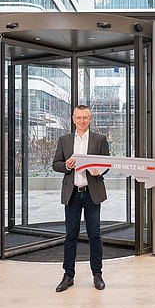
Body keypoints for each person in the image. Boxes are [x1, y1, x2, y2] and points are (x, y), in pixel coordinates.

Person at [53, 105, 110, 292]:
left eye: (85, 117)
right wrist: (67, 166)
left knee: (95, 235)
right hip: (72, 193)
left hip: (92, 192)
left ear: (90, 119)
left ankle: (97, 274)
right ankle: (68, 275)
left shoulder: (99, 140)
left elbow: (106, 164)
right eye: (79, 117)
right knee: (71, 235)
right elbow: (56, 164)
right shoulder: (64, 140)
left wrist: (98, 170)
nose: (82, 121)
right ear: (73, 119)